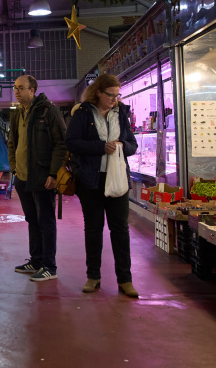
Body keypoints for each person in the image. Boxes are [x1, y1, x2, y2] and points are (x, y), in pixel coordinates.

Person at [65, 74, 139, 297]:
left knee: (120, 229)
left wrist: (122, 145)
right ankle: (93, 276)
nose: (114, 99)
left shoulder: (121, 113)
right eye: (110, 95)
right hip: (91, 180)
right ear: (98, 92)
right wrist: (101, 147)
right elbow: (72, 143)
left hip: (117, 179)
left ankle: (125, 280)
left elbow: (133, 144)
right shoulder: (83, 113)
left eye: (117, 95)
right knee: (93, 229)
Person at [7, 75, 66, 282]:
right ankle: (36, 260)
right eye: (15, 88)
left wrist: (53, 173)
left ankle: (49, 266)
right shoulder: (17, 113)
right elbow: (12, 142)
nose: (17, 91)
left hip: (42, 177)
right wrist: (14, 168)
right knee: (32, 220)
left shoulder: (48, 111)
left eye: (21, 88)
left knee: (46, 221)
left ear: (32, 90)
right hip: (22, 177)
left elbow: (61, 143)